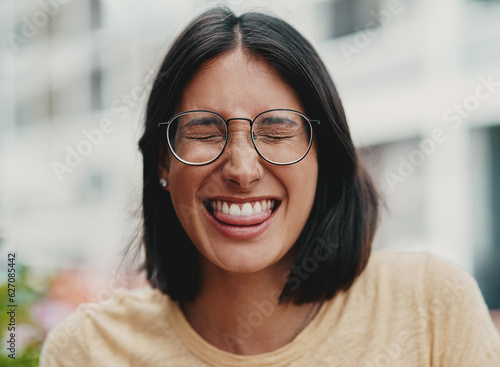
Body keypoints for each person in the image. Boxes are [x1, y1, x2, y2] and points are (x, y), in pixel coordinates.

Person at [40, 7, 500, 366]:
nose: (242, 169)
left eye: (278, 132)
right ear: (163, 159)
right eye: (203, 132)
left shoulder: (433, 306)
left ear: (326, 156)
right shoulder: (87, 352)